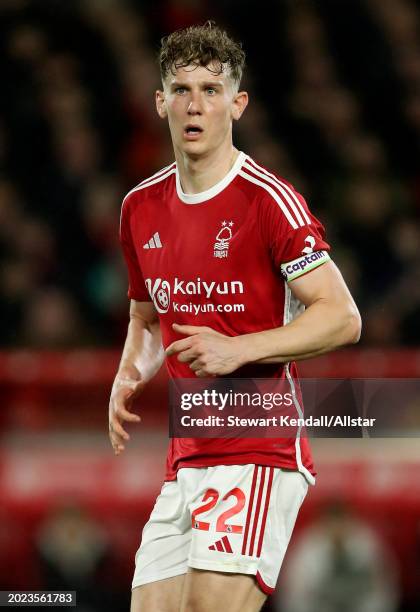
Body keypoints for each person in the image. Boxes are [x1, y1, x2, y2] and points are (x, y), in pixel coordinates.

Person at [109, 22, 361, 612]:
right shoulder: (138, 208)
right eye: (181, 89)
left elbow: (343, 317)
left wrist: (239, 349)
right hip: (187, 452)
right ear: (160, 101)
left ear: (237, 103)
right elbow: (146, 316)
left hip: (261, 446)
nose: (195, 105)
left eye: (212, 90)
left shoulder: (267, 200)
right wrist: (128, 374)